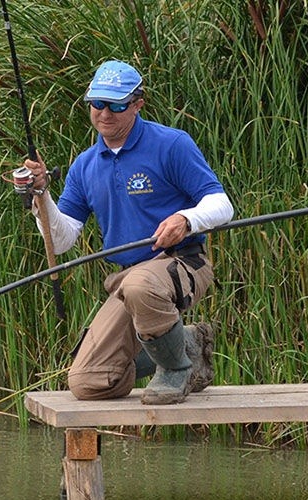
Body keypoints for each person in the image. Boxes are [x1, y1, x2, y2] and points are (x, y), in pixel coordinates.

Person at [20, 60, 233, 404]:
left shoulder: (171, 144)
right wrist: (40, 196)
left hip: (183, 263)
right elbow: (61, 241)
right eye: (98, 104)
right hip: (128, 280)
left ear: (137, 104)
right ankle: (186, 346)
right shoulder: (85, 165)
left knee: (138, 284)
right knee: (88, 383)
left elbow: (222, 205)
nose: (106, 113)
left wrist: (185, 219)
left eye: (117, 105)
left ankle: (176, 369)